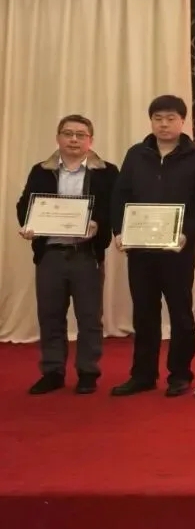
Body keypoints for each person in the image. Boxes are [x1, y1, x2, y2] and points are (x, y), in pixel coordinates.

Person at [110, 95, 195, 397]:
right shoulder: (136, 154)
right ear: (151, 121)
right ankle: (143, 374)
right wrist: (119, 231)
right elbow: (120, 195)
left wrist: (188, 233)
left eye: (170, 118)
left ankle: (180, 374)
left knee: (181, 313)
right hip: (141, 249)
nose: (164, 124)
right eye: (158, 118)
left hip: (178, 250)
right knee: (144, 312)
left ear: (183, 121)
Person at [15, 115, 119, 395]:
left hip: (86, 254)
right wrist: (29, 225)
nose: (74, 139)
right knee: (50, 316)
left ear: (90, 140)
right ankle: (53, 371)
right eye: (68, 133)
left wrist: (97, 224)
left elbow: (114, 208)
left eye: (80, 135)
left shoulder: (107, 172)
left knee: (89, 317)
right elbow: (25, 205)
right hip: (50, 254)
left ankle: (88, 372)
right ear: (58, 138)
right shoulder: (41, 170)